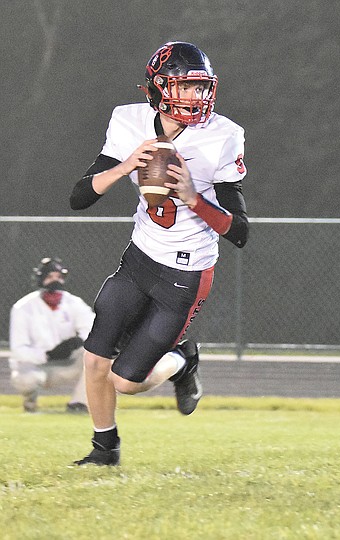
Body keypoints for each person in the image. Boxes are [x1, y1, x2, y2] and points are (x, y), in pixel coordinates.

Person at [68, 41, 249, 466]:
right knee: (95, 358)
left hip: (185, 273)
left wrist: (194, 199)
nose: (194, 97)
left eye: (199, 88)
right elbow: (80, 196)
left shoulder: (223, 134)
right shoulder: (128, 120)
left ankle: (184, 360)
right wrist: (126, 164)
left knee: (125, 381)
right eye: (183, 87)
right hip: (140, 257)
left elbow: (239, 231)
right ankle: (104, 450)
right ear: (157, 87)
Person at [8, 257, 93, 414]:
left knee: (95, 357)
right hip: (35, 368)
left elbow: (92, 330)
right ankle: (30, 402)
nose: (55, 281)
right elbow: (18, 349)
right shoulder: (22, 308)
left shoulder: (74, 303)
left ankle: (79, 404)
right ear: (41, 279)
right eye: (50, 277)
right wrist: (47, 355)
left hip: (65, 366)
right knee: (27, 380)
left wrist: (80, 341)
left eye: (59, 277)